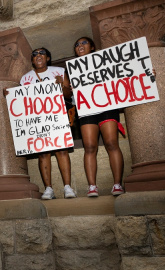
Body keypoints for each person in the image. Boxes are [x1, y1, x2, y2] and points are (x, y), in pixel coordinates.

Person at [18, 47, 76, 200]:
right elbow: (22, 101)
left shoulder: (58, 71)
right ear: (32, 60)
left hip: (57, 117)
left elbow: (69, 93)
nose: (38, 56)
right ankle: (48, 189)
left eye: (42, 53)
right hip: (38, 120)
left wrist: (61, 85)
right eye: (34, 54)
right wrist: (9, 95)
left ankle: (67, 187)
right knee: (43, 153)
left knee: (61, 151)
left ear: (48, 58)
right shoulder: (25, 78)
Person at [70, 37, 125, 197]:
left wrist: (145, 74)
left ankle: (117, 184)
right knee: (89, 147)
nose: (79, 45)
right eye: (77, 44)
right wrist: (69, 88)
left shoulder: (106, 62)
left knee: (111, 143)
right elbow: (67, 94)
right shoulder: (73, 69)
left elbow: (124, 75)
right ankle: (92, 186)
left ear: (92, 47)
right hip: (86, 109)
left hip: (107, 107)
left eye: (83, 43)